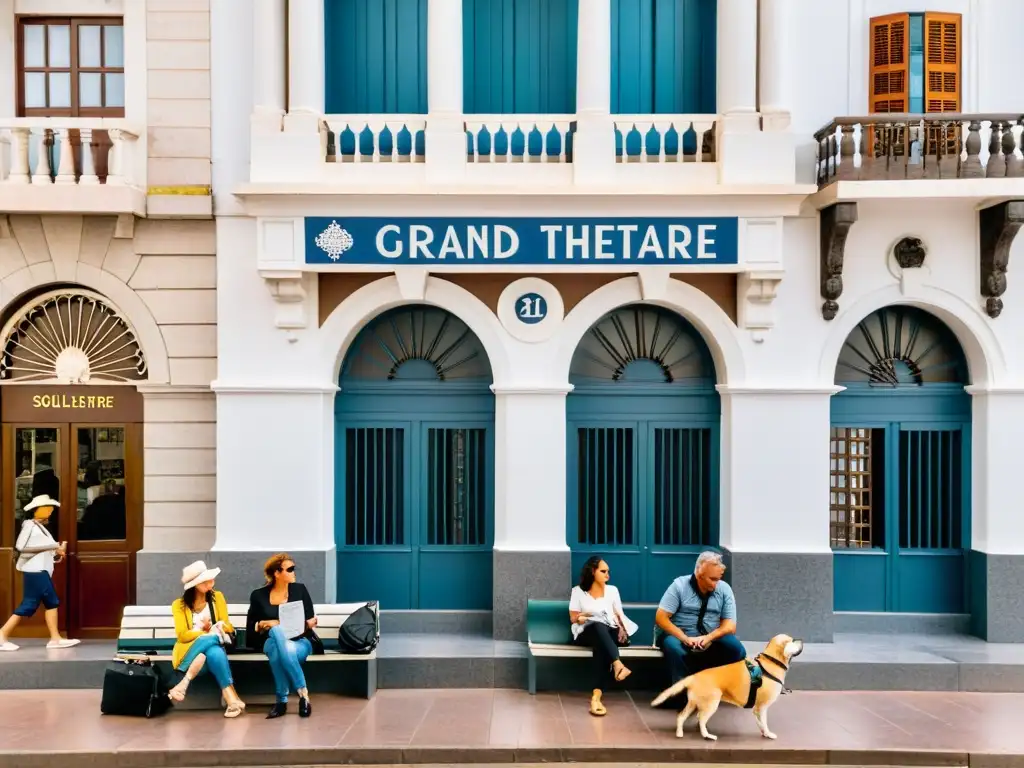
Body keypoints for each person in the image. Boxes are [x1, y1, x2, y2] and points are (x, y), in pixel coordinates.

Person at [654, 551, 746, 702]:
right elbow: (661, 618)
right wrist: (685, 638)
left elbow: (730, 626)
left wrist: (709, 637)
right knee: (673, 647)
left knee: (737, 649)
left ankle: (723, 689)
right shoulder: (679, 586)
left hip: (711, 635)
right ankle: (682, 693)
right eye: (712, 579)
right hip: (680, 634)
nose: (716, 584)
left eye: (719, 579)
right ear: (699, 574)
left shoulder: (724, 589)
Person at [0, 495, 80, 651]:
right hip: (35, 570)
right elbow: (21, 547)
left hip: (39, 569)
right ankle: (2, 634)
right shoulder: (29, 525)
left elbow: (43, 550)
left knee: (51, 602)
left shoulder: (40, 527)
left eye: (50, 509)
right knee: (31, 603)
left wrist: (55, 552)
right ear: (35, 511)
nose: (49, 511)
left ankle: (55, 638)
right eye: (45, 508)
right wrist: (50, 547)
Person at [167, 561, 246, 718]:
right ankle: (232, 699)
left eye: (212, 579)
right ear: (195, 584)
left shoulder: (217, 598)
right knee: (212, 642)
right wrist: (204, 633)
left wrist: (218, 627)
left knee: (213, 652)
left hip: (202, 659)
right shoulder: (179, 605)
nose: (211, 583)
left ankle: (182, 683)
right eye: (206, 580)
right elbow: (182, 635)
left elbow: (228, 626)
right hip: (188, 654)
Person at [245, 553, 320, 719]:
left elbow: (308, 622)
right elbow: (251, 629)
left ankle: (281, 701)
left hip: (300, 642)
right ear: (277, 573)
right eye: (290, 569)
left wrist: (275, 622)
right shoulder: (258, 595)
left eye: (293, 569)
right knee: (277, 635)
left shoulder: (300, 590)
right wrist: (262, 624)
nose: (294, 572)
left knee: (279, 651)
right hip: (270, 641)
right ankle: (304, 696)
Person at [569, 556, 636, 717]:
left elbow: (619, 615)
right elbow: (573, 617)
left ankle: (596, 696)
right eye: (603, 571)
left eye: (608, 572)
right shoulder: (578, 591)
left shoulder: (612, 590)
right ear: (593, 572)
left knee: (602, 643)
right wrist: (585, 616)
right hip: (586, 632)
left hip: (609, 631)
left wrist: (615, 623)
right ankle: (618, 665)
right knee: (598, 626)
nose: (608, 575)